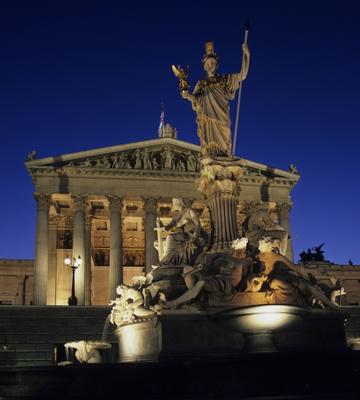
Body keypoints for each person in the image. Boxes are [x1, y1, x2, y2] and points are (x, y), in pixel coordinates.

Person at [181, 41, 250, 158]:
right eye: (208, 63)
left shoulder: (224, 79)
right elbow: (196, 100)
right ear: (204, 66)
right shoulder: (201, 84)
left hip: (222, 117)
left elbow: (242, 75)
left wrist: (246, 55)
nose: (210, 65)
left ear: (217, 65)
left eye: (213, 63)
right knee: (211, 149)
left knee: (225, 143)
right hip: (208, 120)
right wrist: (187, 95)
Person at [159, 198, 203, 265]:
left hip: (190, 235)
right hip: (183, 236)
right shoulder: (177, 216)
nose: (174, 206)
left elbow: (198, 224)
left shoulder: (189, 211)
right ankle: (166, 260)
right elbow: (168, 227)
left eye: (175, 204)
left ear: (179, 204)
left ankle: (165, 260)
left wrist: (196, 233)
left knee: (171, 237)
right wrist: (161, 224)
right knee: (169, 239)